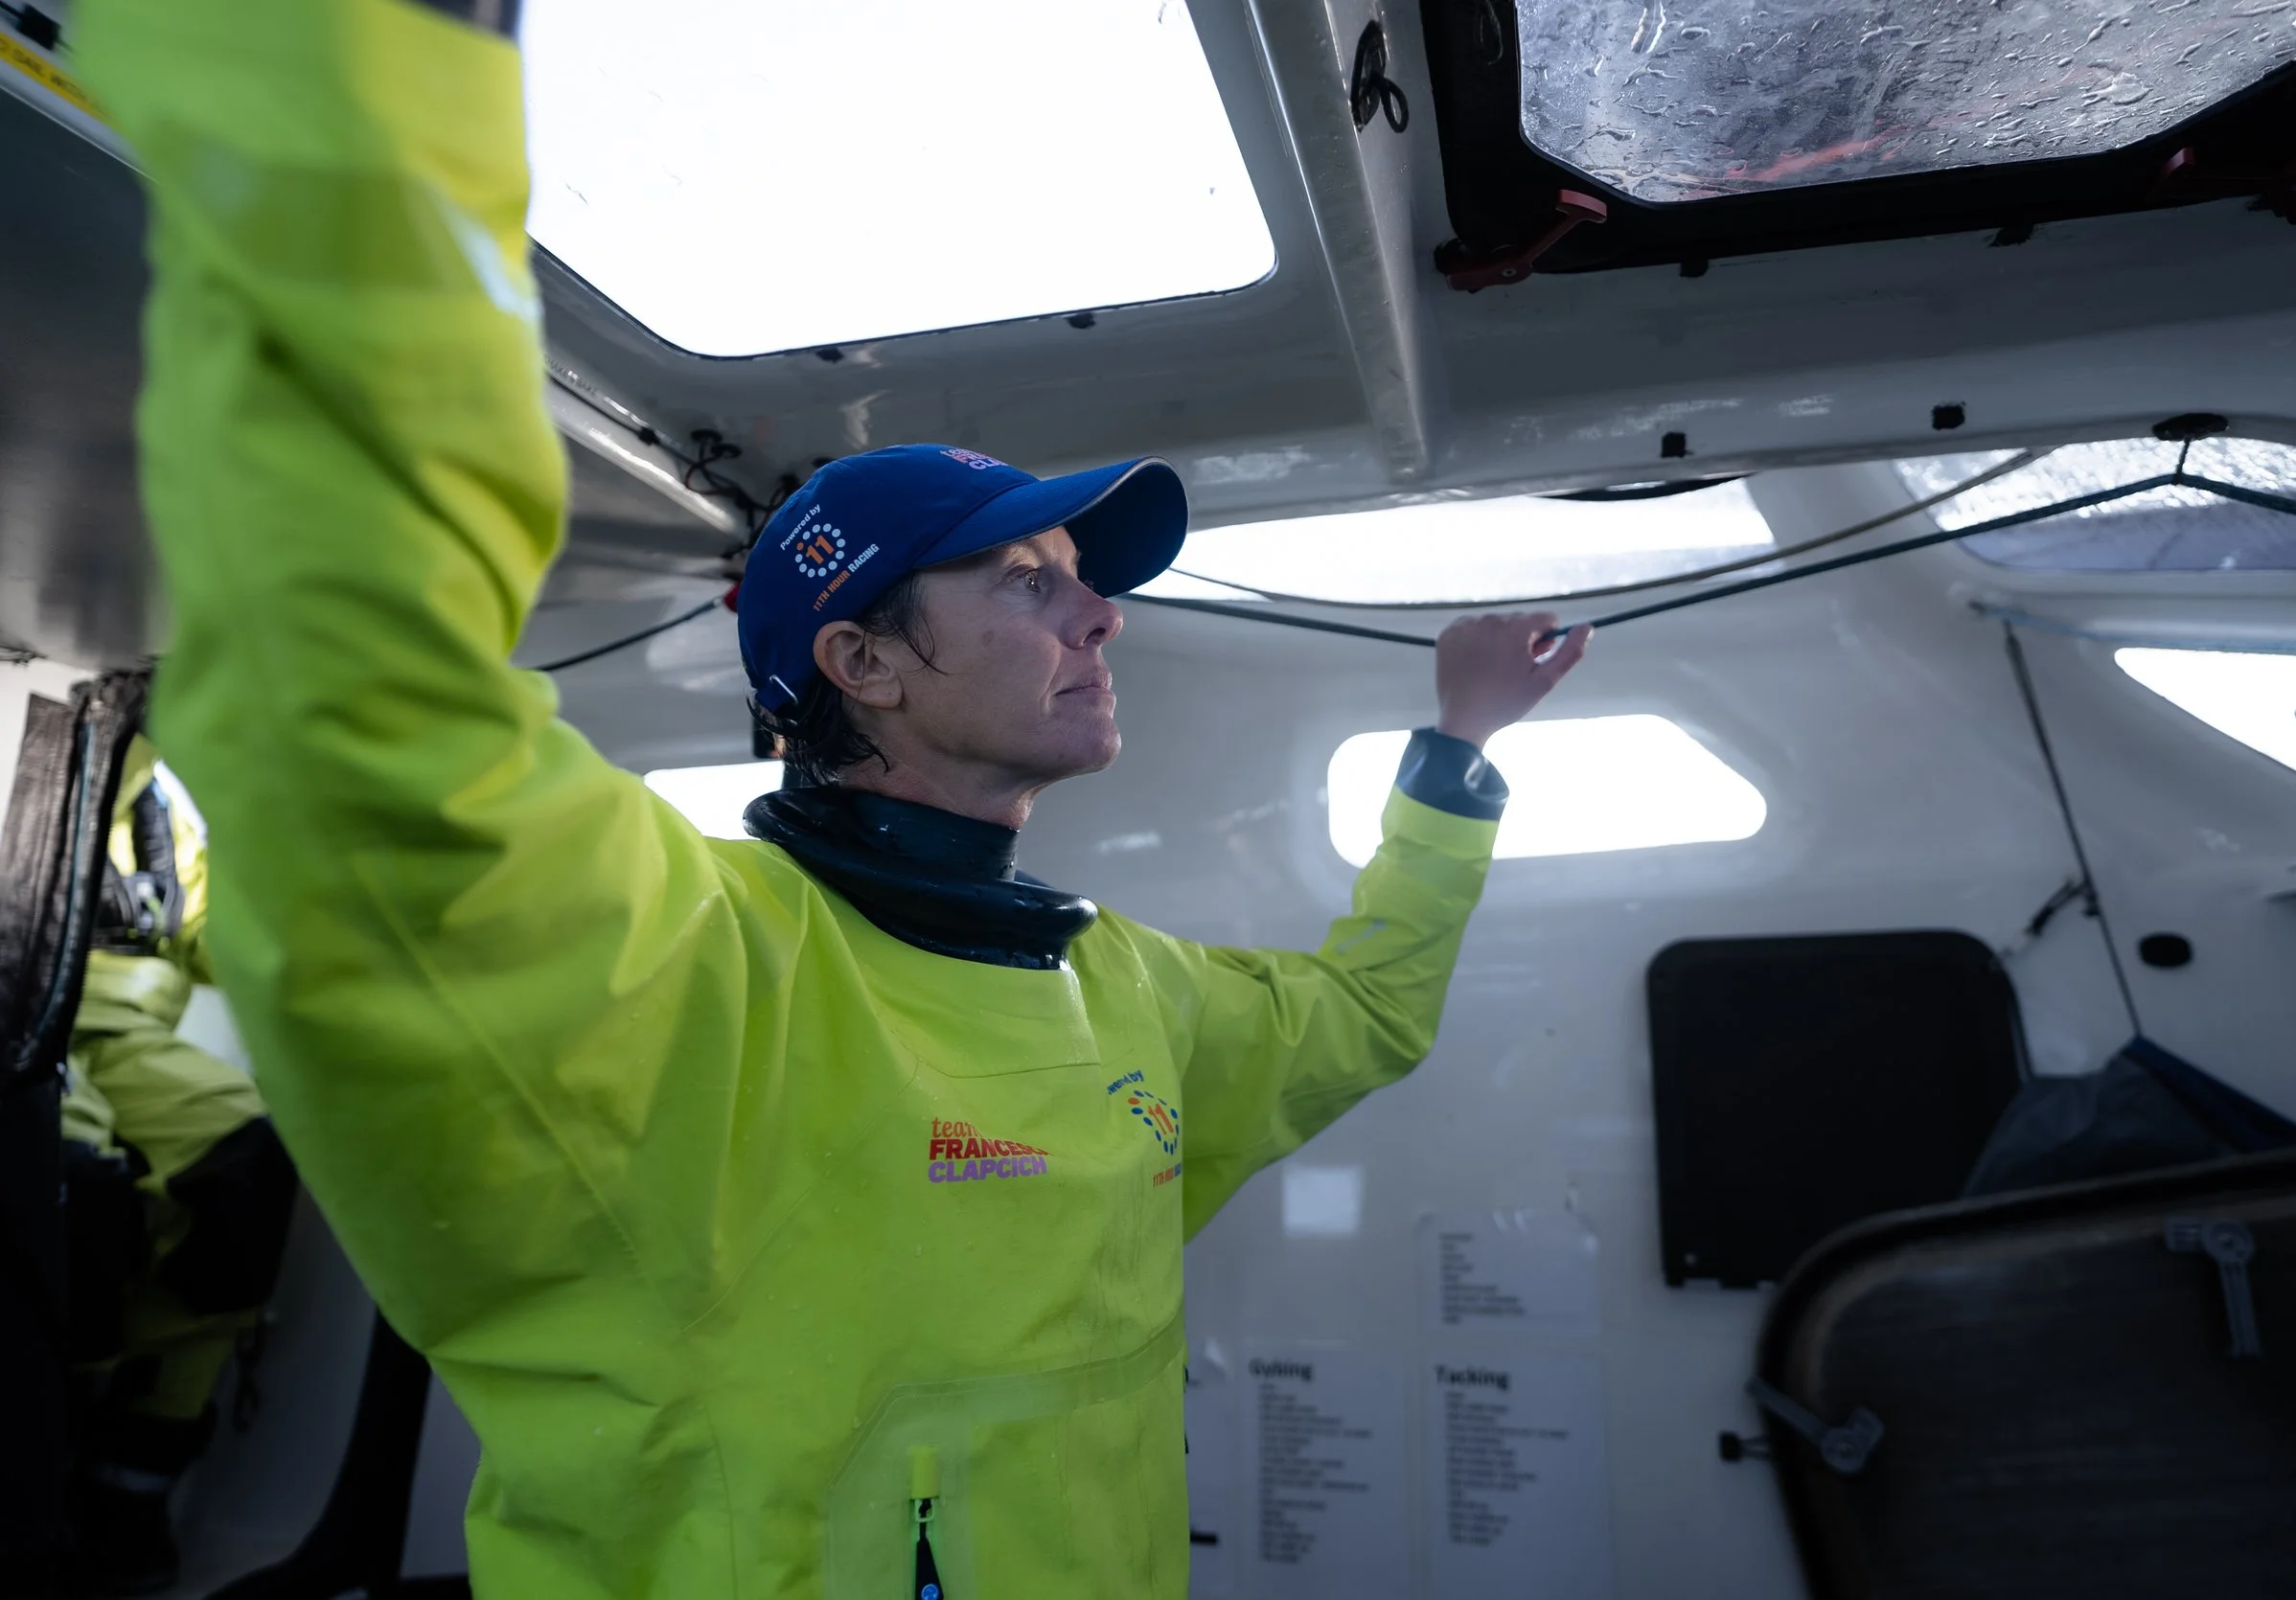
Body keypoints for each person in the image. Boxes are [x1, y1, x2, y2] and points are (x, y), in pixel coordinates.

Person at [80, 2, 1590, 1596]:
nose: (1100, 616)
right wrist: (380, 67)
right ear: (863, 660)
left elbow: (1366, 1013)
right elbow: (358, 712)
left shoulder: (1130, 993)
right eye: (1026, 581)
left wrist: (1456, 753)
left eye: (1087, 584)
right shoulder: (689, 977)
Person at [58, 738, 297, 1596]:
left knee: (248, 1170)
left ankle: (131, 1475)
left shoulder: (159, 805)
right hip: (26, 1029)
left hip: (128, 1043)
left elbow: (216, 935)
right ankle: (42, 1455)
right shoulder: (30, 748)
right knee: (74, 1196)